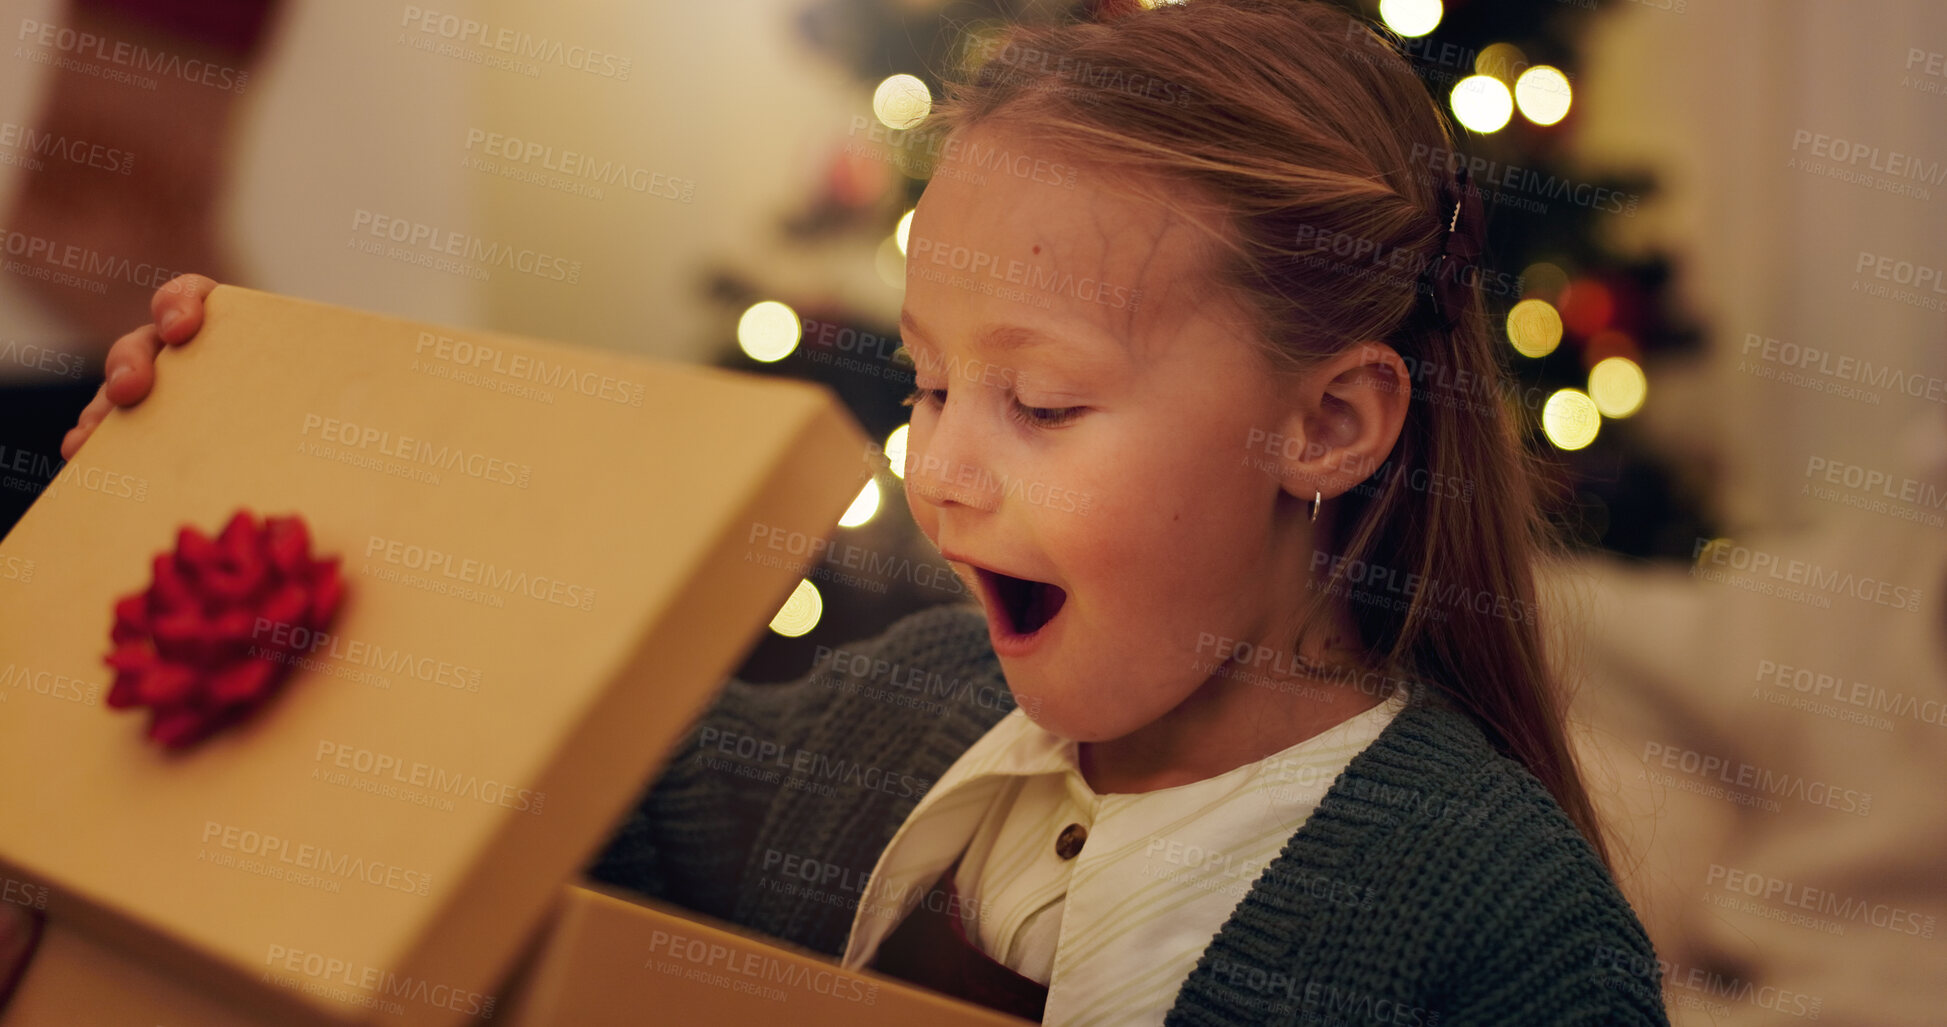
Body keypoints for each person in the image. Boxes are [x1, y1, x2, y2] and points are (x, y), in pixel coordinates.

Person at [29, 2, 1669, 1023]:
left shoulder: (1505, 937)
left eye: (1042, 404)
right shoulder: (867, 724)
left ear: (1329, 423)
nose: (942, 468)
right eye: (933, 386)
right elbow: (488, 797)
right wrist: (218, 476)